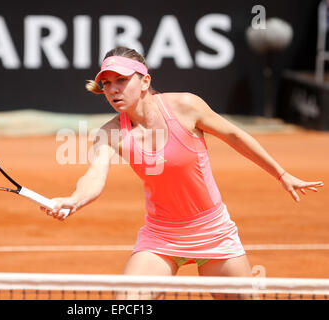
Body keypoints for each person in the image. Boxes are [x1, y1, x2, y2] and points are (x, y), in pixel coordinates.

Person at [40, 46, 324, 299]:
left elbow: (235, 136)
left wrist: (281, 173)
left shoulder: (186, 106)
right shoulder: (110, 133)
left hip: (213, 231)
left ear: (145, 81)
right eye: (107, 84)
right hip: (160, 235)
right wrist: (74, 199)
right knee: (126, 306)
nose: (113, 90)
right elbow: (93, 177)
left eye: (122, 81)